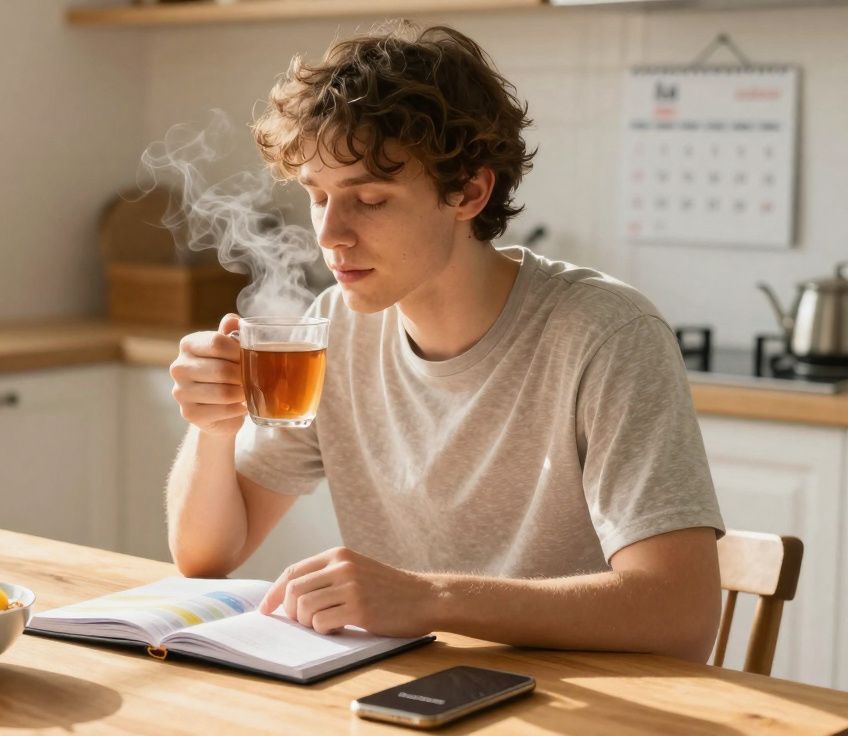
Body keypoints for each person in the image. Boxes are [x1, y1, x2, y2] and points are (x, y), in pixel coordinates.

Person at [165, 23, 725, 663]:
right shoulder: (334, 328)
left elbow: (681, 614)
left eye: (369, 199)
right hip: (410, 692)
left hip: (585, 701)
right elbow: (206, 554)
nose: (331, 234)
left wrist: (430, 598)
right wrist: (214, 428)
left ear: (469, 191)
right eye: (317, 197)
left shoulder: (605, 334)